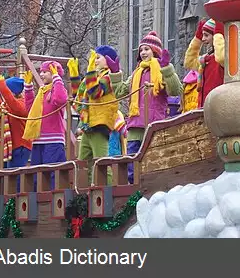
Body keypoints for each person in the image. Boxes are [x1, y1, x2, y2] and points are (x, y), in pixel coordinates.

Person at [115, 31, 183, 183]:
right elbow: (119, 91)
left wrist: (167, 69)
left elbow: (175, 90)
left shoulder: (161, 70)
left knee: (153, 161)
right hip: (134, 125)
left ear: (155, 51)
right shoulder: (136, 73)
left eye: (147, 49)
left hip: (154, 124)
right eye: (141, 49)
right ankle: (133, 194)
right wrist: (114, 74)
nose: (143, 52)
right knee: (132, 165)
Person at [69, 46, 120, 185]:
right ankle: (85, 194)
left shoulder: (109, 77)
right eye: (94, 58)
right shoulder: (91, 78)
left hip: (100, 124)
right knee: (83, 163)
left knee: (101, 163)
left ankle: (108, 191)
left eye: (98, 58)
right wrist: (74, 76)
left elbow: (94, 92)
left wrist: (90, 70)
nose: (95, 61)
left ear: (108, 61)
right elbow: (78, 98)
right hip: (88, 125)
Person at [23, 61, 68, 168]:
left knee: (52, 172)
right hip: (38, 139)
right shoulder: (42, 91)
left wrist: (57, 78)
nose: (41, 74)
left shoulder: (59, 89)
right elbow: (30, 110)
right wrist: (28, 89)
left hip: (54, 139)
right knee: (37, 174)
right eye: (41, 72)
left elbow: (60, 100)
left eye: (45, 72)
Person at [0, 74, 31, 169]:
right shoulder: (8, 105)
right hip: (11, 147)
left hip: (21, 146)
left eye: (5, 91)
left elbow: (11, 100)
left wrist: (1, 84)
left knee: (16, 176)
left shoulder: (22, 104)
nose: (3, 94)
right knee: (7, 174)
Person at [184, 18, 225, 108]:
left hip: (218, 110)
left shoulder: (223, 60)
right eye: (202, 35)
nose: (203, 39)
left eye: (206, 35)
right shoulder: (205, 59)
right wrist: (197, 39)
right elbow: (189, 62)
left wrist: (219, 33)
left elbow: (221, 57)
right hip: (203, 108)